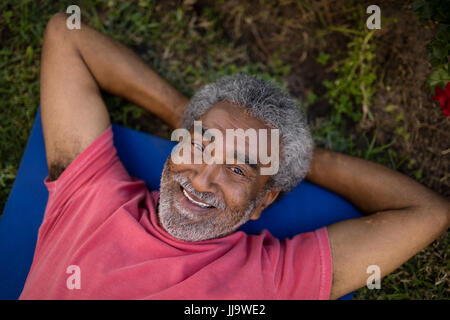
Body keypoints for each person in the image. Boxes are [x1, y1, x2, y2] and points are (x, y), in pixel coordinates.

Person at [19, 13, 449, 300]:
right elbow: (66, 35)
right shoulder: (89, 192)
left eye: (239, 169)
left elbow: (426, 212)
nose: (202, 178)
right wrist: (183, 113)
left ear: (264, 201)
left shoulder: (273, 280)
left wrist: (293, 159)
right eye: (200, 146)